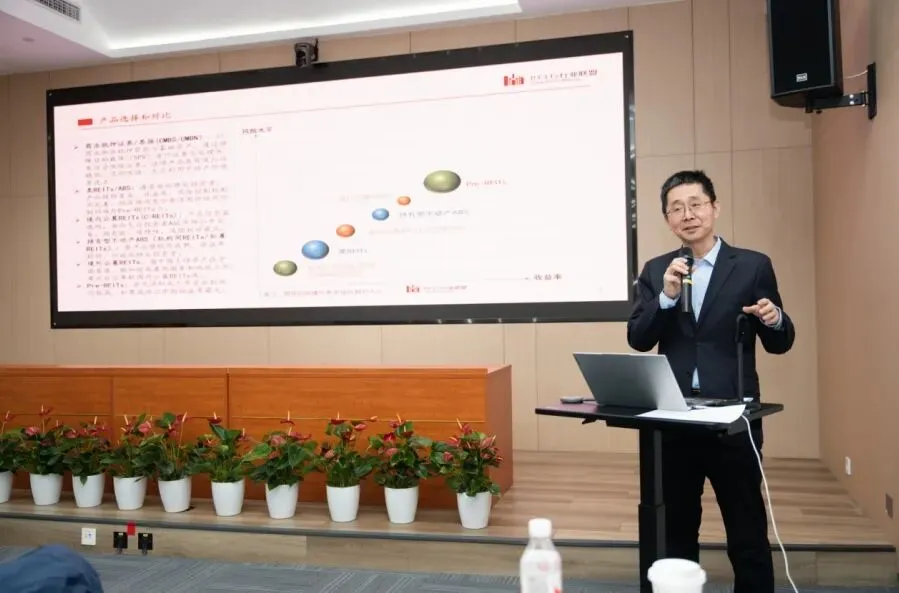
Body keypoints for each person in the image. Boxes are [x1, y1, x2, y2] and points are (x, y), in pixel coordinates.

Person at [626, 170, 795, 593]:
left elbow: (780, 342)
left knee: (746, 529)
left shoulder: (752, 266)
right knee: (677, 529)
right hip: (675, 419)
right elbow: (638, 338)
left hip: (733, 418)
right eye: (676, 208)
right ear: (668, 219)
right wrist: (666, 298)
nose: (688, 215)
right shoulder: (657, 270)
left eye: (696, 204)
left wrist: (774, 319)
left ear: (714, 208)